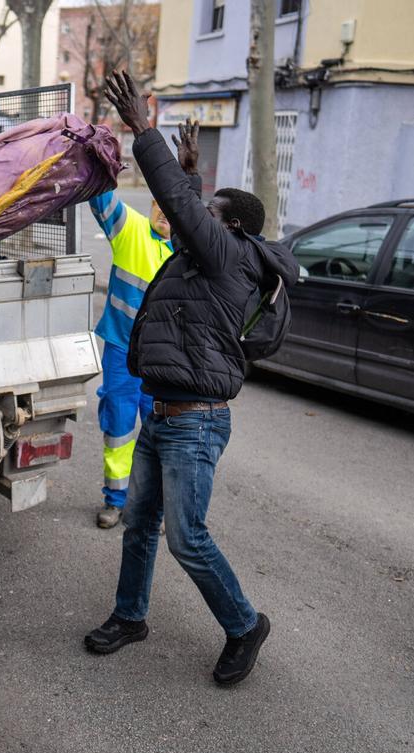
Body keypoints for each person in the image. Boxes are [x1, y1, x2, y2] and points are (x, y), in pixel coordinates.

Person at [82, 72, 298, 686]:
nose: (197, 217)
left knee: (187, 538)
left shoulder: (226, 258)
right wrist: (191, 171)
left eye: (210, 214)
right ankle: (130, 617)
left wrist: (143, 131)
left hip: (195, 424)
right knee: (138, 524)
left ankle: (243, 625)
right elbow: (187, 210)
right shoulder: (212, 255)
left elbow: (181, 208)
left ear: (227, 230)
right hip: (162, 412)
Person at [89, 179, 179, 529]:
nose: (165, 214)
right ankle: (116, 500)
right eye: (160, 204)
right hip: (122, 352)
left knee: (161, 433)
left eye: (173, 210)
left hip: (162, 360)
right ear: (153, 203)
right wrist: (103, 166)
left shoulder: (187, 253)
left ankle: (152, 506)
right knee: (119, 429)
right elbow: (101, 200)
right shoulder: (131, 229)